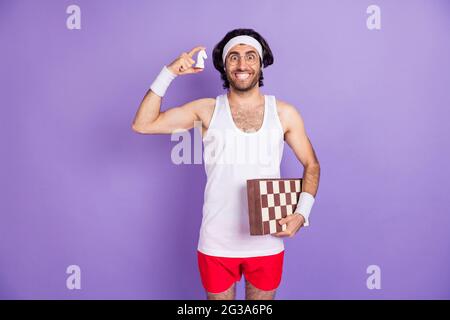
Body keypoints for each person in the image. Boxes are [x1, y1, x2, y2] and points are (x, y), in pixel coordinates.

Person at [132, 28, 321, 300]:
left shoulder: (284, 113)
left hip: (266, 242)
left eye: (249, 56)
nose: (242, 64)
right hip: (216, 242)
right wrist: (169, 73)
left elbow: (311, 164)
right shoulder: (206, 109)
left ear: (260, 62)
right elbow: (143, 124)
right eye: (234, 57)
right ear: (224, 65)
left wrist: (301, 214)